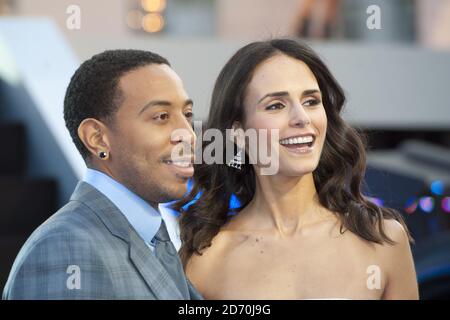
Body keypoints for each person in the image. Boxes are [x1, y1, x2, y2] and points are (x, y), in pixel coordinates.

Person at [174, 39, 419, 299]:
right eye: (276, 105)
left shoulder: (382, 240)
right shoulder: (206, 260)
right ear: (239, 133)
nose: (302, 118)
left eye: (311, 101)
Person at [3, 49, 201, 300]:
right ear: (97, 139)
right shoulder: (66, 249)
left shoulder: (152, 238)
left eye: (187, 115)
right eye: (161, 116)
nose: (188, 134)